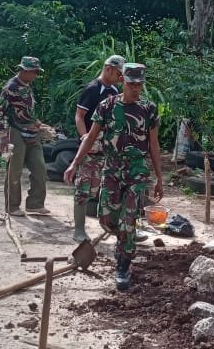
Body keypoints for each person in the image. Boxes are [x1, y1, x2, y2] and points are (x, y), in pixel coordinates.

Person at [64, 63, 163, 291]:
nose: (136, 88)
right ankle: (123, 241)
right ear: (122, 81)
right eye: (132, 84)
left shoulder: (149, 109)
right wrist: (74, 163)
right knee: (107, 219)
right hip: (111, 169)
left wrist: (159, 177)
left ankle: (123, 264)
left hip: (137, 171)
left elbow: (154, 144)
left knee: (129, 219)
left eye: (139, 84)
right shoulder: (106, 106)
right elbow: (90, 138)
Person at [70, 55, 126, 242]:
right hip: (91, 147)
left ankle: (114, 226)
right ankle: (79, 230)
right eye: (118, 73)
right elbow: (79, 115)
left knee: (111, 187)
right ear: (108, 69)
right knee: (84, 188)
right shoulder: (93, 89)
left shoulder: (114, 90)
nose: (120, 78)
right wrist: (85, 138)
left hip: (108, 148)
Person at [0, 56, 49, 216]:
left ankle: (35, 203)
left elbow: (28, 111)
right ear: (24, 70)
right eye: (34, 72)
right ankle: (12, 206)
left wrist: (39, 124)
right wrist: (3, 136)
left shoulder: (28, 86)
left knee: (40, 168)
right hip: (15, 131)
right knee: (14, 170)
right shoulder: (10, 87)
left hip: (32, 132)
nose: (36, 75)